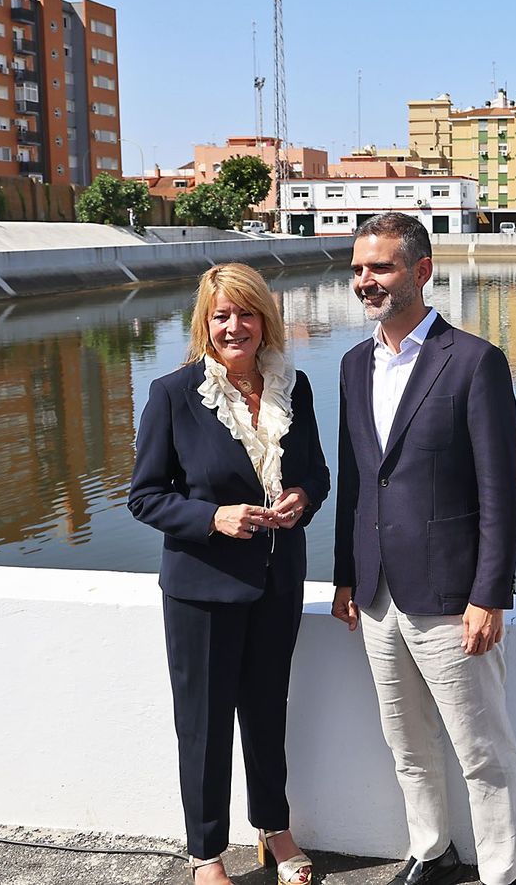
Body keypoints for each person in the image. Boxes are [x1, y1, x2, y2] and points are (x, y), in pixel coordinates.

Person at [332, 212, 516, 885]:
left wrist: (489, 593)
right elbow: (356, 480)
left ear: (421, 271)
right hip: (377, 592)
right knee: (406, 743)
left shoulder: (475, 361)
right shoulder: (354, 365)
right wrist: (344, 578)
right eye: (358, 268)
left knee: (482, 751)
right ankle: (432, 847)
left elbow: (502, 491)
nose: (365, 281)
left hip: (450, 597)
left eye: (380, 267)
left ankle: (501, 873)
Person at [129, 263, 329, 885]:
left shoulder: (294, 388)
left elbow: (317, 475)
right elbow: (144, 497)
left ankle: (275, 830)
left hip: (277, 583)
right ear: (204, 323)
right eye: (221, 315)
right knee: (206, 726)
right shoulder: (172, 393)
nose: (234, 326)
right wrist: (214, 517)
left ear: (265, 319)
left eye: (246, 314)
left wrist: (302, 498)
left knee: (268, 713)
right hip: (202, 590)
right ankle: (205, 855)